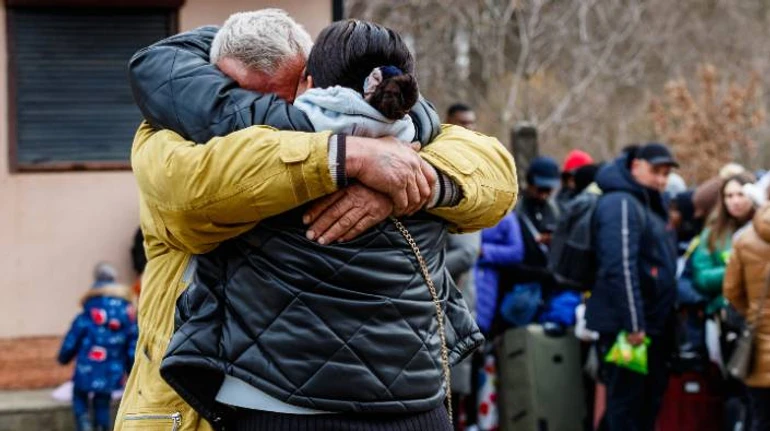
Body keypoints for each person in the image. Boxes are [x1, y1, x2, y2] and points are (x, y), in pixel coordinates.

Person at [116, 11, 518, 431]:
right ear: (218, 87)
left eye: (291, 92)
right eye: (256, 101)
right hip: (196, 411)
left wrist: (409, 183)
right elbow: (189, 200)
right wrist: (348, 159)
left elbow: (498, 178)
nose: (282, 112)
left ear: (311, 77)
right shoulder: (171, 135)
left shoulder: (389, 128)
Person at [586, 142, 679, 431]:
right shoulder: (621, 203)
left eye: (666, 173)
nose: (662, 180)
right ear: (636, 166)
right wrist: (635, 324)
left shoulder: (644, 200)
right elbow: (620, 266)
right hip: (629, 331)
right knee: (626, 410)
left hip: (647, 327)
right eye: (656, 171)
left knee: (638, 409)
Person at [58, 263, 137, 431]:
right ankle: (102, 427)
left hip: (87, 365)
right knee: (102, 400)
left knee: (79, 394)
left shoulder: (90, 308)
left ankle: (84, 422)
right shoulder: (127, 312)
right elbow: (132, 342)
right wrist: (132, 368)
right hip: (112, 368)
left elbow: (75, 334)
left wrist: (64, 356)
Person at [724, 202, 770, 431]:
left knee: (760, 418)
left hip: (758, 348)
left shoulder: (744, 239)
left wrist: (752, 312)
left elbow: (731, 290)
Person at [692, 173, 756, 315]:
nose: (735, 201)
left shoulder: (763, 230)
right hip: (724, 309)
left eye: (741, 194)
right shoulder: (713, 233)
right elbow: (702, 277)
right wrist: (734, 269)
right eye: (729, 196)